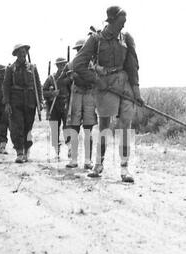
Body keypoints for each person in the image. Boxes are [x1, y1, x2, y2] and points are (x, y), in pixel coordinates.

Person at [72, 6, 145, 183]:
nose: (123, 26)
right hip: (104, 85)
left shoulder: (127, 38)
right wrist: (97, 80)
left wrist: (136, 92)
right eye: (120, 23)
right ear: (111, 21)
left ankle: (125, 169)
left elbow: (132, 66)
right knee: (104, 126)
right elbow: (78, 64)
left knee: (125, 125)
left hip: (124, 83)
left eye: (124, 23)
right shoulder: (96, 39)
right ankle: (98, 165)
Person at [58, 39, 97, 169]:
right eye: (79, 49)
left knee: (88, 130)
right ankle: (74, 160)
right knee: (74, 129)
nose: (81, 51)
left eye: (83, 48)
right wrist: (70, 77)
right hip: (76, 96)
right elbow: (60, 81)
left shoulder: (94, 64)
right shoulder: (71, 64)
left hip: (89, 97)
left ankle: (87, 161)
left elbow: (97, 80)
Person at [3, 44, 43, 163]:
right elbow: (6, 87)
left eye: (24, 52)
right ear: (16, 55)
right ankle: (19, 152)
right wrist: (7, 103)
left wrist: (40, 101)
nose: (22, 54)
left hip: (30, 102)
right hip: (16, 102)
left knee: (28, 127)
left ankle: (27, 150)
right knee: (17, 127)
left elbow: (38, 86)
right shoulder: (10, 69)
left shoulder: (32, 68)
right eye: (20, 52)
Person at [43, 57, 71, 160]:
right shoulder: (51, 78)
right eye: (60, 65)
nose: (62, 67)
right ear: (57, 66)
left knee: (68, 126)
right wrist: (51, 93)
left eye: (64, 65)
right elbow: (43, 91)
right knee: (54, 128)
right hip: (53, 105)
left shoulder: (69, 77)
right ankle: (56, 151)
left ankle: (70, 148)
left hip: (65, 103)